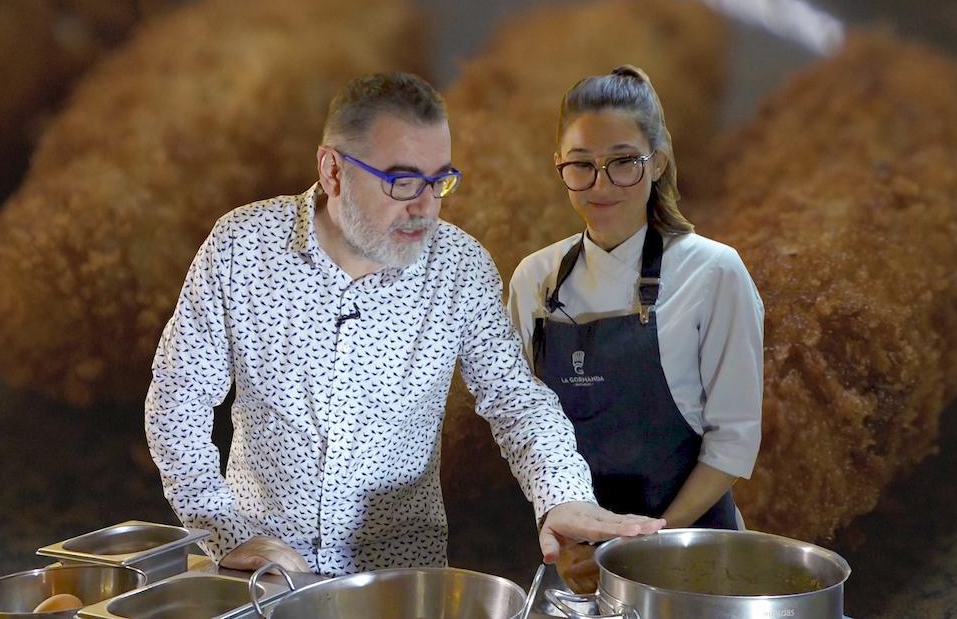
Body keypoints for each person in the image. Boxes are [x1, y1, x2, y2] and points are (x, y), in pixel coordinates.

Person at [144, 71, 664, 577]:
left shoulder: (458, 268)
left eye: (440, 182)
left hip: (399, 584)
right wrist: (228, 533)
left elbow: (516, 400)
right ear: (333, 171)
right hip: (265, 575)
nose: (425, 207)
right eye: (403, 181)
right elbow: (178, 397)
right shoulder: (242, 247)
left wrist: (562, 495)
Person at [508, 66, 764, 592]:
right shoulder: (535, 280)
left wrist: (644, 546)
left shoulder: (713, 272)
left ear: (657, 162)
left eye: (623, 162)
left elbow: (732, 445)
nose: (601, 185)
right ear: (560, 167)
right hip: (577, 563)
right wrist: (563, 529)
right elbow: (523, 427)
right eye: (581, 165)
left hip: (695, 555)